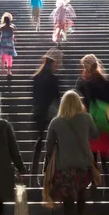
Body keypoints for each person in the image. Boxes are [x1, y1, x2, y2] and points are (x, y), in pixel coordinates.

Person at [45, 90, 98, 215]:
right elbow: (95, 135)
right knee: (81, 193)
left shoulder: (55, 122)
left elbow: (48, 148)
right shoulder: (86, 118)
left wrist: (46, 169)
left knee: (68, 206)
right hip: (83, 166)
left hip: (64, 169)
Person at [75, 54, 109, 194]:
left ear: (86, 67)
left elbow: (85, 103)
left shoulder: (87, 83)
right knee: (105, 160)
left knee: (91, 157)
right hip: (105, 125)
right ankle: (108, 187)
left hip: (92, 124)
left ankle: (94, 183)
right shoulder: (106, 81)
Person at [31, 48, 62, 185]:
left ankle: (33, 175)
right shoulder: (54, 79)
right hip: (51, 116)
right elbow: (57, 98)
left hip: (39, 114)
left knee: (39, 143)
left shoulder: (37, 77)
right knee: (52, 143)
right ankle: (48, 174)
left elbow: (35, 97)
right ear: (53, 63)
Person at [0, 12, 17, 79]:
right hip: (9, 45)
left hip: (3, 44)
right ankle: (9, 71)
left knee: (2, 58)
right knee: (9, 58)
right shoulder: (12, 28)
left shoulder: (1, 27)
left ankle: (2, 71)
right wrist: (14, 39)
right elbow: (11, 36)